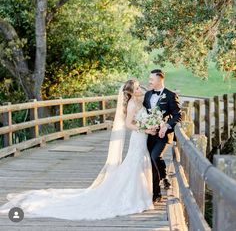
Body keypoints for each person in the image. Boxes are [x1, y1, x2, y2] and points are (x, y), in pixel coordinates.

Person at [0, 79, 156, 221]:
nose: (139, 89)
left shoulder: (138, 102)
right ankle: (133, 198)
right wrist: (145, 128)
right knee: (135, 163)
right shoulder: (131, 104)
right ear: (130, 92)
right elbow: (129, 124)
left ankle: (140, 196)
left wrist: (150, 124)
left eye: (138, 87)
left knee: (139, 162)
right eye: (136, 88)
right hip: (139, 136)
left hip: (142, 137)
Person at [143, 69, 182, 203]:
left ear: (159, 79)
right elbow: (143, 114)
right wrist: (147, 127)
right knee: (151, 162)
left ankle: (163, 178)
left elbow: (178, 115)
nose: (149, 81)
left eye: (151, 79)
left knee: (155, 156)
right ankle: (156, 193)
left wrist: (166, 126)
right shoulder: (147, 95)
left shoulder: (170, 95)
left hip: (163, 135)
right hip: (149, 135)